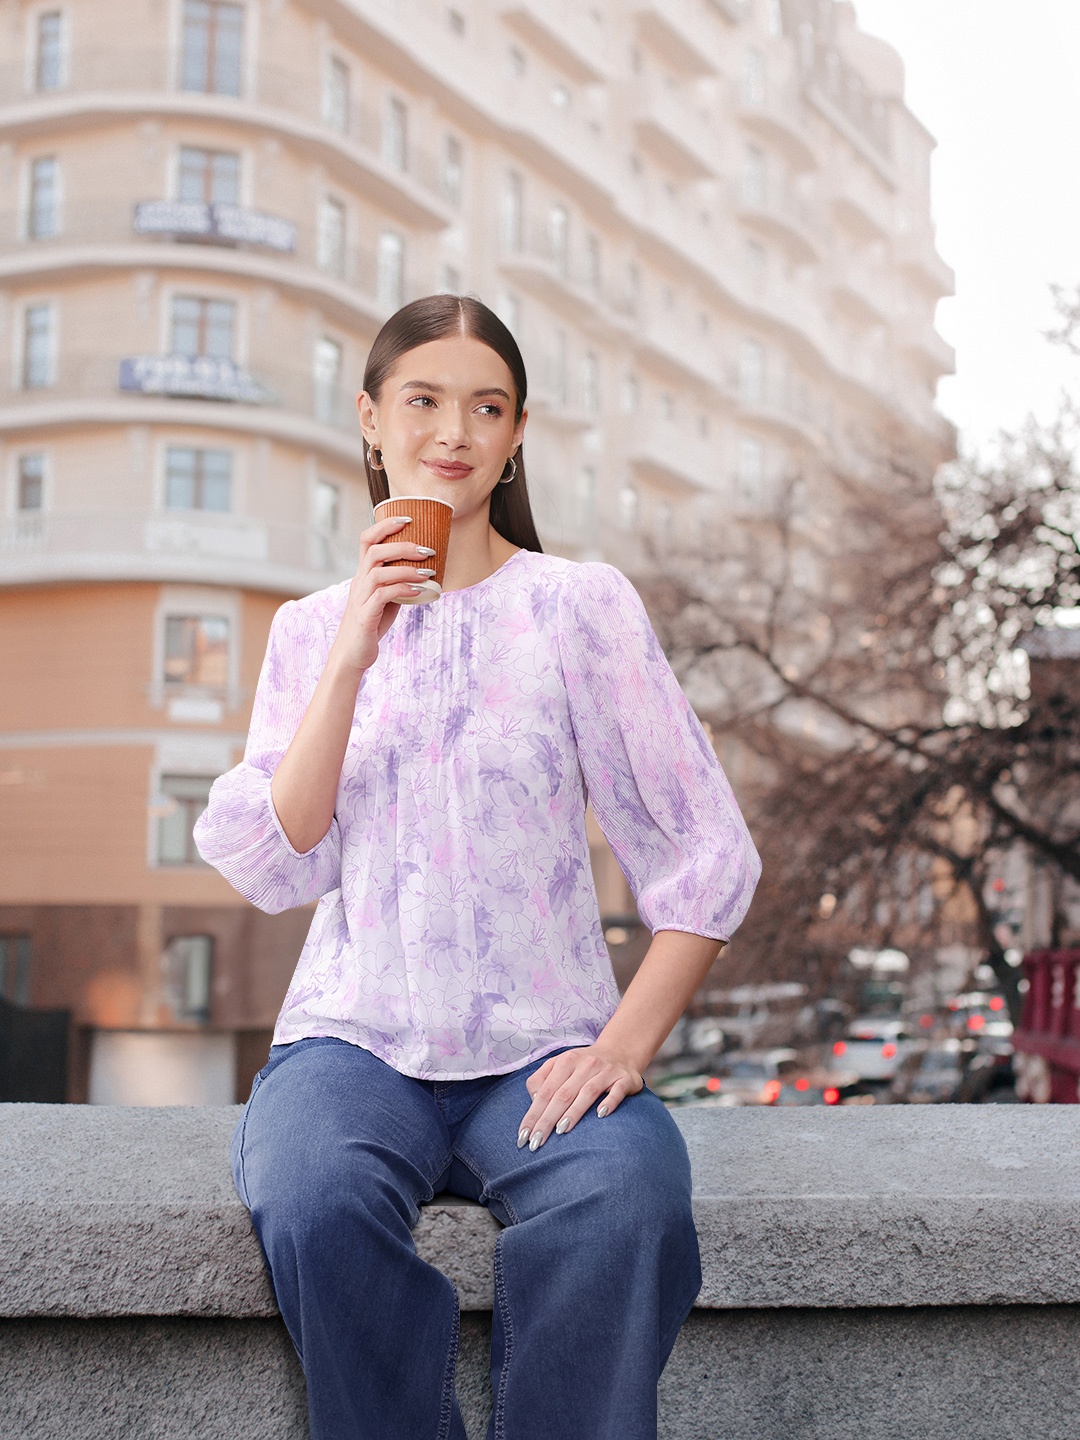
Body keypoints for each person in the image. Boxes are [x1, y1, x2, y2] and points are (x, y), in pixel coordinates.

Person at [194, 294, 760, 1440]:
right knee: (309, 1198)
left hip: (541, 1042)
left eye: (485, 407)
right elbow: (276, 856)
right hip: (354, 1039)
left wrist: (624, 1044)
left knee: (629, 1201)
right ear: (370, 420)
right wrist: (358, 643)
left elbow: (704, 843)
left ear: (515, 437)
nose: (453, 430)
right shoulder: (310, 628)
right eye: (424, 400)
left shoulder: (578, 608)